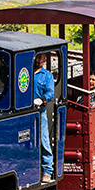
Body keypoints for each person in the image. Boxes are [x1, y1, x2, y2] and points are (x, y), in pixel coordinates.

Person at [33, 51, 55, 182]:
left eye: (40, 57)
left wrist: (41, 99)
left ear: (44, 60)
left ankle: (47, 171)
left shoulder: (47, 76)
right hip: (25, 110)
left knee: (43, 140)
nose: (37, 59)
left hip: (39, 111)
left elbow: (50, 92)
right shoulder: (26, 73)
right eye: (37, 57)